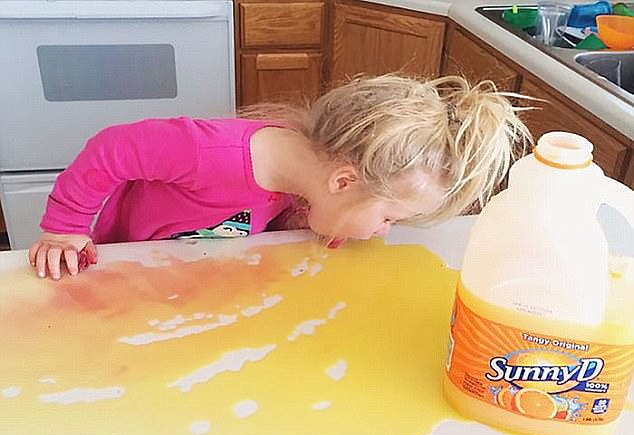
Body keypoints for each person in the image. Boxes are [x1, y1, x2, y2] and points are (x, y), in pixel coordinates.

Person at [29, 74, 531, 280]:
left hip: (193, 267)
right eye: (389, 217)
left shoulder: (306, 179)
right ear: (342, 181)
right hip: (121, 259)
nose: (384, 231)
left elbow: (256, 217)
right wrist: (64, 225)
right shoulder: (209, 154)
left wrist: (326, 225)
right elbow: (112, 148)